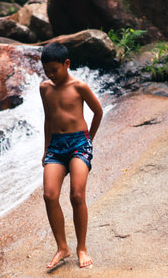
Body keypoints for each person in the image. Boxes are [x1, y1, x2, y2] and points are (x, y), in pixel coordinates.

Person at [39, 42, 103, 269]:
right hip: (56, 146)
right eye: (47, 71)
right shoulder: (44, 88)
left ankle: (81, 248)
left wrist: (89, 140)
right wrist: (46, 148)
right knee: (49, 195)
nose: (51, 75)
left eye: (55, 70)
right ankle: (62, 247)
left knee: (77, 195)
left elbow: (98, 112)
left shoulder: (79, 86)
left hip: (78, 143)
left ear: (67, 64)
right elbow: (48, 118)